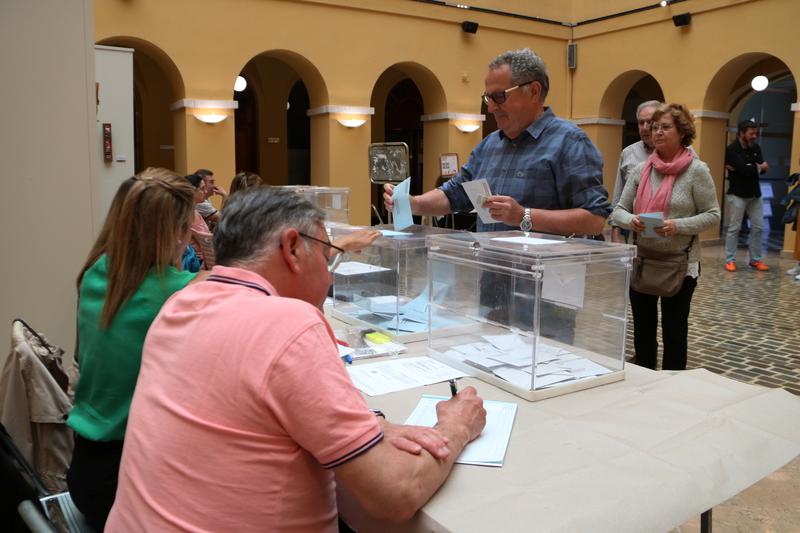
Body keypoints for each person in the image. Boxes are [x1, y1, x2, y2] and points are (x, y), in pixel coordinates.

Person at [106, 188, 487, 530]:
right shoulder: (292, 323)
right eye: (326, 257)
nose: (330, 278)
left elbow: (242, 413)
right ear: (291, 248)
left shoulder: (180, 304)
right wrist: (455, 427)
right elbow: (394, 494)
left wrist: (377, 428)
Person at [66, 168, 197, 530]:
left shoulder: (95, 272)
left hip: (86, 469)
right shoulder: (179, 291)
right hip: (128, 483)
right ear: (177, 232)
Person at [383, 48, 610, 237]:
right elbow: (454, 194)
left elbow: (595, 219)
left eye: (499, 97)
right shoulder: (489, 145)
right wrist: (414, 203)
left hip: (546, 283)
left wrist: (524, 216)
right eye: (487, 98)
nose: (491, 107)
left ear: (533, 91)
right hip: (492, 276)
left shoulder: (570, 142)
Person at [609, 103, 720, 371]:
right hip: (645, 261)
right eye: (654, 127)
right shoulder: (642, 169)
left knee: (674, 333)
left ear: (682, 132)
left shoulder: (697, 171)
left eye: (665, 127)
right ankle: (644, 381)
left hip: (679, 265)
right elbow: (618, 211)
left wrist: (677, 226)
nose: (656, 132)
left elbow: (713, 214)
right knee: (643, 334)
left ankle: (672, 386)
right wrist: (631, 221)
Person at [723, 119, 769, 272]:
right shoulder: (732, 150)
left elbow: (764, 168)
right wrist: (757, 167)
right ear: (742, 133)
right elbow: (745, 169)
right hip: (737, 194)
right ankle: (730, 260)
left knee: (758, 227)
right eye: (751, 133)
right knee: (734, 228)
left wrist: (752, 167)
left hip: (755, 194)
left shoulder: (756, 148)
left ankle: (755, 260)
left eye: (755, 133)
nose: (754, 136)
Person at [611, 101, 660, 243]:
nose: (645, 127)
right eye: (640, 122)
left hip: (670, 231)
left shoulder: (684, 154)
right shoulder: (629, 153)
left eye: (650, 122)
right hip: (635, 227)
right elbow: (619, 195)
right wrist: (616, 229)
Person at [186, 173, 215, 270]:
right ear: (192, 191)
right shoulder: (188, 214)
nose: (206, 191)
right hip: (196, 263)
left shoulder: (194, 212)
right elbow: (205, 240)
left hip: (203, 260)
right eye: (202, 189)